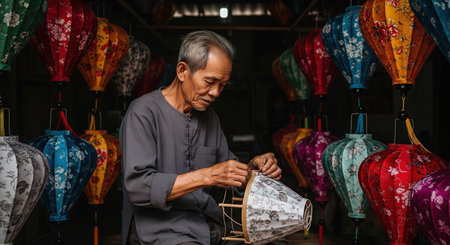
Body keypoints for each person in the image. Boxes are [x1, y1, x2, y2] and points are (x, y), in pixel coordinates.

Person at [120, 30, 282, 245]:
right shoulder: (143, 112)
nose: (215, 93)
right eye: (210, 81)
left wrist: (253, 169)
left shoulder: (209, 117)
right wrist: (209, 176)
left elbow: (227, 173)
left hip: (209, 225)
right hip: (161, 231)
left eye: (222, 85)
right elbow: (139, 187)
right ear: (182, 71)